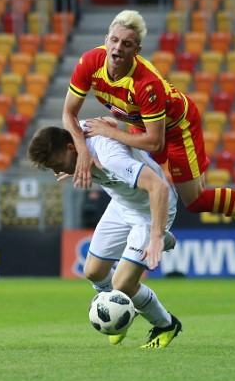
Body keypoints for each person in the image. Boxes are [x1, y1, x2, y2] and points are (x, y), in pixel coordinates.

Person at [62, 9, 235, 253]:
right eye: (114, 40)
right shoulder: (89, 62)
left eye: (127, 44)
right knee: (129, 173)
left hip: (177, 128)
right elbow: (68, 113)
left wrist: (111, 132)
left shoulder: (147, 84)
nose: (118, 48)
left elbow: (155, 142)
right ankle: (158, 232)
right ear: (106, 40)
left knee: (196, 201)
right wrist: (82, 152)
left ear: (137, 51)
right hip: (139, 127)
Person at [28, 124, 182, 348]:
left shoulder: (110, 159)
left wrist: (156, 236)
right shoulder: (78, 136)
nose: (57, 171)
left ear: (72, 148)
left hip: (150, 210)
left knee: (121, 285)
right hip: (122, 204)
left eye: (57, 164)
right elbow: (81, 120)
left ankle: (166, 324)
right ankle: (122, 311)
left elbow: (159, 188)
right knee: (93, 272)